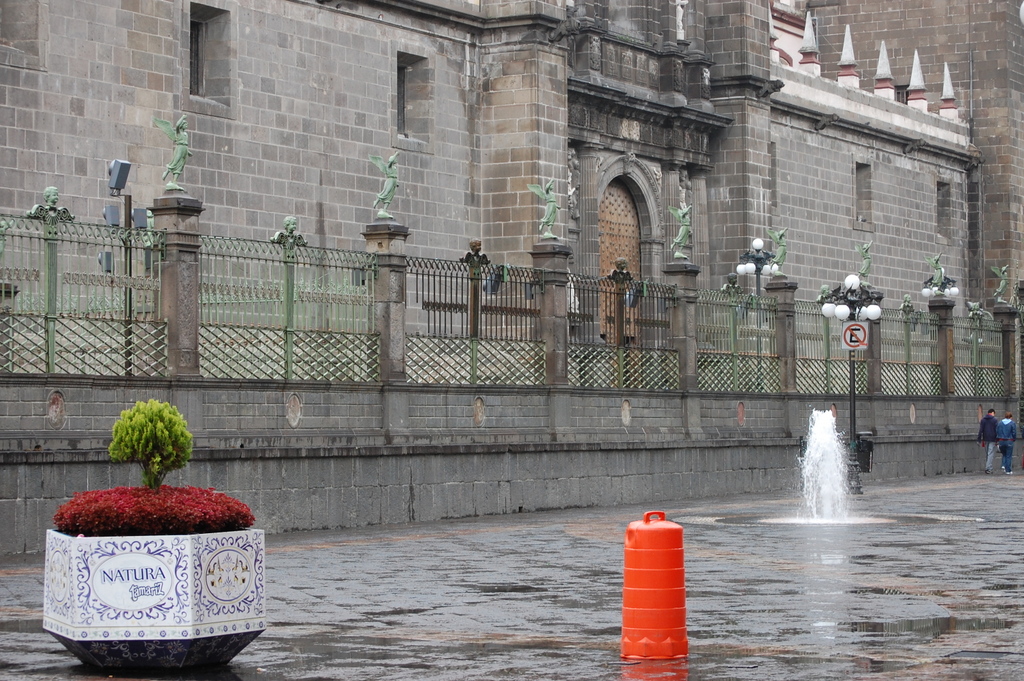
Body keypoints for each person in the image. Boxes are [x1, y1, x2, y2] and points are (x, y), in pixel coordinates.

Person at [978, 408, 999, 474]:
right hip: (993, 438)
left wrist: (979, 439)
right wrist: (998, 439)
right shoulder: (994, 420)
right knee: (990, 453)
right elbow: (997, 430)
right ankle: (988, 468)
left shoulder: (983, 420)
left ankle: (989, 467)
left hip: (985, 438)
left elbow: (981, 430)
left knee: (987, 453)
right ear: (992, 413)